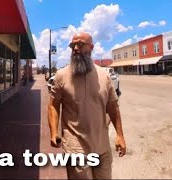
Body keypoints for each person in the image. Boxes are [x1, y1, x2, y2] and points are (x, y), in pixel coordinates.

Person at [48, 32, 126, 179]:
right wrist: (53, 132)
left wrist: (120, 136)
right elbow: (53, 105)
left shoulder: (104, 76)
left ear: (91, 47)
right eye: (72, 45)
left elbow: (113, 108)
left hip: (102, 147)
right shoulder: (61, 75)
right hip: (75, 147)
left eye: (80, 44)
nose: (75, 48)